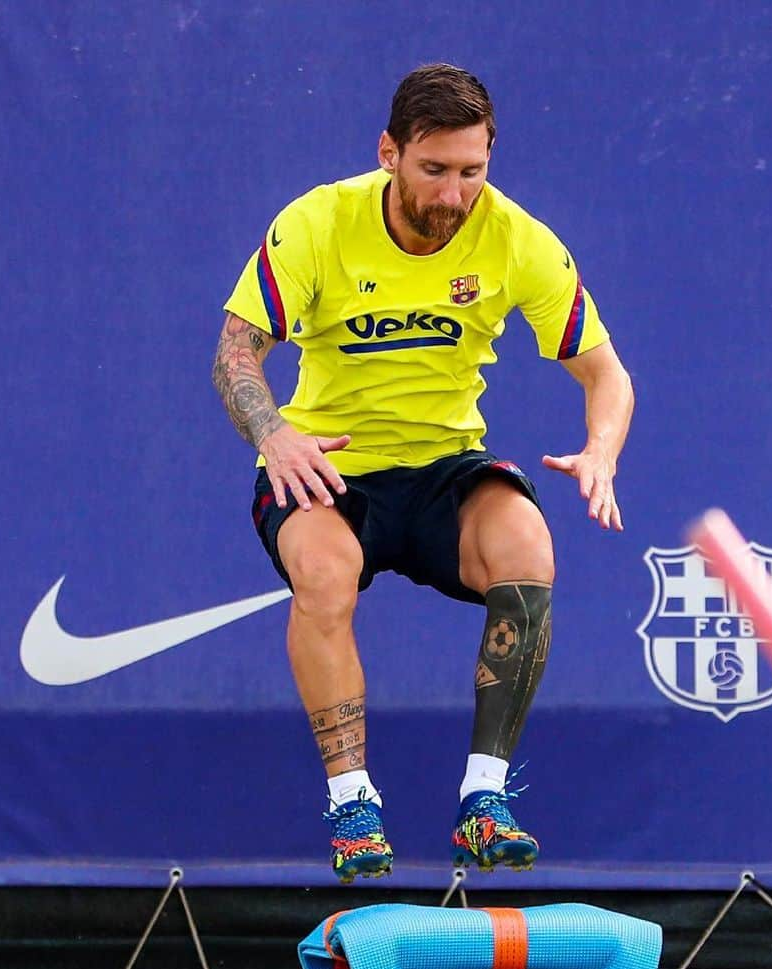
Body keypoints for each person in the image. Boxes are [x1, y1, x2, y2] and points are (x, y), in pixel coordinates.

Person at [213, 64, 633, 883]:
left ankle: (485, 801)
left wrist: (602, 449)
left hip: (444, 467)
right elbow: (236, 352)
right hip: (329, 470)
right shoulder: (317, 223)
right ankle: (351, 803)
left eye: (471, 173)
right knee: (326, 575)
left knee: (527, 546)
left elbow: (607, 375)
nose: (451, 196)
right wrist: (277, 433)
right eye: (433, 170)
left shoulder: (516, 237)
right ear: (389, 154)